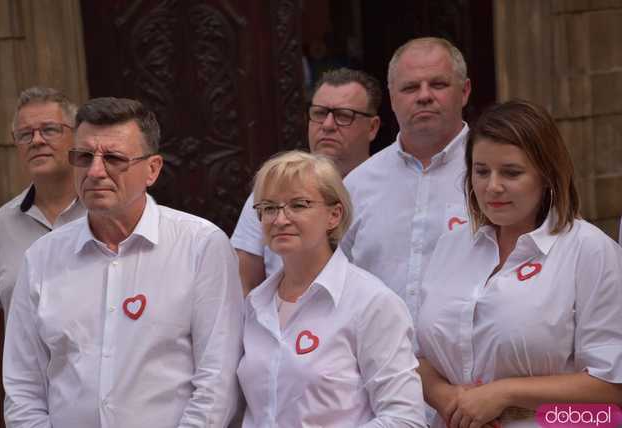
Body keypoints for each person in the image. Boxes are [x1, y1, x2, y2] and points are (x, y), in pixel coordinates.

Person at [3, 97, 243, 427]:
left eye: (114, 158)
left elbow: (218, 381)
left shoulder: (200, 246)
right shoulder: (42, 258)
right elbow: (22, 387)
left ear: (153, 169)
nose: (96, 171)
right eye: (84, 157)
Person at [417, 100, 622, 428]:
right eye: (481, 171)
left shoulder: (589, 250)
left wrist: (505, 393)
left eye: (511, 172)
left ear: (546, 175)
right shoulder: (452, 244)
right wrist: (449, 400)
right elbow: (420, 356)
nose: (492, 186)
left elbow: (612, 388)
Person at [238, 151, 426, 427]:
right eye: (269, 208)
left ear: (334, 215)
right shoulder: (255, 305)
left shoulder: (371, 303)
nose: (280, 219)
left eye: (298, 205)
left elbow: (406, 419)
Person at [341, 37, 471, 320]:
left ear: (465, 91)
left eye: (438, 84)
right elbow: (335, 281)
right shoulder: (358, 184)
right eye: (410, 87)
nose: (424, 96)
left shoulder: (494, 174)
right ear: (392, 99)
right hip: (375, 360)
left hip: (473, 361)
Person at [0, 86, 85, 428]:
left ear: (77, 136)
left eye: (49, 130)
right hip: (30, 411)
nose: (36, 140)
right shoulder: (2, 224)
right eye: (25, 134)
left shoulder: (108, 213)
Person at [232, 68, 381, 294]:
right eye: (319, 113)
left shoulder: (388, 189)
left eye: (343, 115)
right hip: (283, 322)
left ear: (372, 127)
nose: (328, 125)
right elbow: (245, 283)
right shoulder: (271, 191)